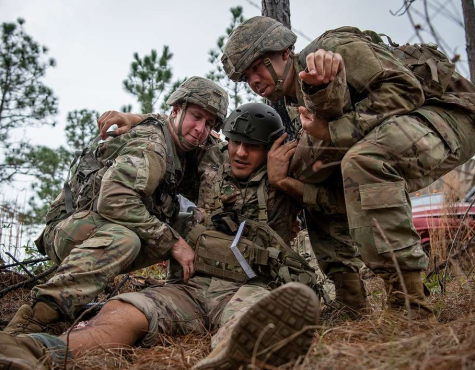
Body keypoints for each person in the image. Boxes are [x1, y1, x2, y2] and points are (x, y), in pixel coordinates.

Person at [0, 103, 320, 370]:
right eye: (235, 141)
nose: (238, 152)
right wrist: (134, 119)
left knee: (248, 318)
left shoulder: (289, 166)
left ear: (271, 147)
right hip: (189, 288)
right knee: (124, 310)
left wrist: (283, 181)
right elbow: (177, 127)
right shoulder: (210, 160)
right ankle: (40, 352)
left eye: (252, 147)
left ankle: (230, 358)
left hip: (248, 287)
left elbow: (332, 186)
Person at [221, 16, 475, 318]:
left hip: (451, 112)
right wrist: (284, 180)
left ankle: (410, 305)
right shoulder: (295, 101)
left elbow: (406, 90)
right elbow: (334, 195)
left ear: (285, 53)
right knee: (313, 175)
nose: (254, 81)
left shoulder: (331, 49)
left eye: (259, 66)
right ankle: (351, 299)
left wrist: (333, 131)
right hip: (406, 128)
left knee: (364, 161)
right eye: (247, 76)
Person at [3, 76, 229, 335]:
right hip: (70, 228)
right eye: (196, 117)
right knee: (125, 240)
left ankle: (179, 291)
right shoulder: (152, 146)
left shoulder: (176, 138)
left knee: (193, 223)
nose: (200, 129)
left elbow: (220, 145)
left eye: (208, 123)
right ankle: (35, 316)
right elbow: (113, 201)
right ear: (176, 110)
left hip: (102, 224)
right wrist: (173, 243)